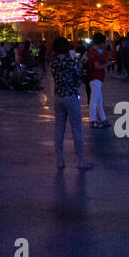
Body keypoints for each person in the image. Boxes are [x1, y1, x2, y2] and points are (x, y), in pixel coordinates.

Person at [49, 37, 91, 170]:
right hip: (71, 96)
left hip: (58, 97)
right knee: (77, 129)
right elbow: (78, 80)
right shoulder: (71, 62)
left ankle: (60, 160)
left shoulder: (53, 63)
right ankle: (81, 160)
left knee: (59, 129)